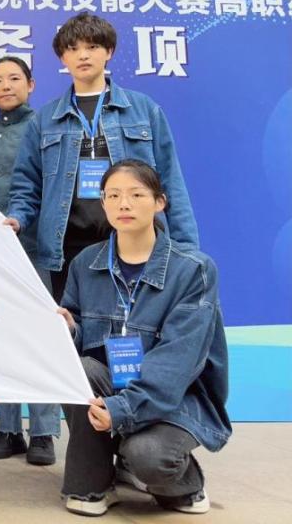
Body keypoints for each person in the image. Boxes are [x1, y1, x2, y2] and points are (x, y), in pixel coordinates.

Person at [57, 160, 227, 517]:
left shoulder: (193, 270)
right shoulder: (85, 263)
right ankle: (94, 483)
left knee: (148, 456)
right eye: (113, 195)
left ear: (159, 202)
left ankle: (183, 484)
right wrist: (69, 330)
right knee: (81, 370)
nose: (124, 204)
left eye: (136, 195)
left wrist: (122, 410)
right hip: (113, 387)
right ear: (103, 203)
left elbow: (176, 363)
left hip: (177, 396)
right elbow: (81, 344)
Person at [5, 12, 198, 305]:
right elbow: (26, 185)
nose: (83, 55)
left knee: (138, 323)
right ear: (62, 58)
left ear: (109, 51)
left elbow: (170, 180)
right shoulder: (44, 119)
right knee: (77, 326)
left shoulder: (143, 109)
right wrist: (17, 218)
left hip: (135, 240)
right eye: (73, 49)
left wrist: (186, 249)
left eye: (92, 47)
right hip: (67, 248)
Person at [0, 56, 59, 466]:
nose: (6, 86)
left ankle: (43, 431)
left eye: (14, 78)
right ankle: (8, 428)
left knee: (42, 339)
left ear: (31, 84)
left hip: (41, 249)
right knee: (1, 338)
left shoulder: (49, 129)